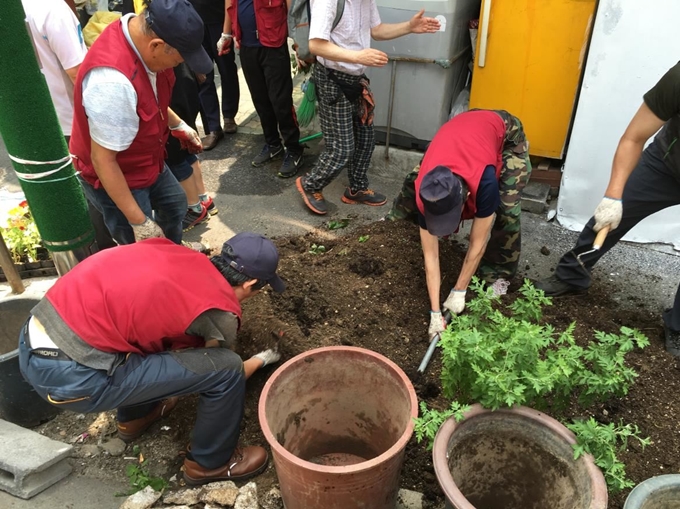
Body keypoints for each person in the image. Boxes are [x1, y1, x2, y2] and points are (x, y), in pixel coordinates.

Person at [19, 232, 285, 484]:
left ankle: (136, 418)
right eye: (257, 291)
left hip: (36, 333)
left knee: (148, 330)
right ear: (250, 284)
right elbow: (218, 363)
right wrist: (263, 358)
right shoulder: (219, 310)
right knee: (225, 371)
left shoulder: (170, 250)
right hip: (74, 376)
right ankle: (208, 464)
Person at [535, 62, 680, 358]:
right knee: (610, 217)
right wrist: (613, 196)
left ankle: (677, 326)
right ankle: (572, 275)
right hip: (667, 164)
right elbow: (633, 138)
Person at [70, 0, 212, 246]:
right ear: (157, 45)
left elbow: (148, 96)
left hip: (148, 159)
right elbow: (103, 160)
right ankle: (153, 269)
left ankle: (172, 254)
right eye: (179, 60)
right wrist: (140, 223)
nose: (179, 65)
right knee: (140, 244)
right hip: (118, 175)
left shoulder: (141, 43)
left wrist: (177, 124)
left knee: (175, 204)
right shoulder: (112, 85)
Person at [387, 109, 531, 339]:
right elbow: (431, 256)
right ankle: (391, 224)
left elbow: (477, 244)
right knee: (411, 180)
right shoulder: (427, 191)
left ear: (465, 197)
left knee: (507, 210)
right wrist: (434, 312)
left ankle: (499, 274)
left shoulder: (484, 184)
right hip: (457, 134)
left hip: (503, 131)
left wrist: (459, 290)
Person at [294, 3, 440, 215]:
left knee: (365, 139)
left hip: (356, 79)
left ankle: (357, 188)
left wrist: (409, 26)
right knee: (342, 148)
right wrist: (358, 56)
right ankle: (311, 184)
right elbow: (316, 45)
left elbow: (376, 30)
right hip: (332, 80)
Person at [220, 0, 304, 177]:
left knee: (280, 101)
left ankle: (294, 149)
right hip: (247, 47)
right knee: (260, 99)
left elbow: (292, 11)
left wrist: (299, 45)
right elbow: (230, 5)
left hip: (273, 46)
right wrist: (226, 34)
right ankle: (273, 143)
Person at [166, 63, 218, 231]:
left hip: (173, 92)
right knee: (189, 148)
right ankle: (204, 199)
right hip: (184, 81)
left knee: (175, 156)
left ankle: (194, 208)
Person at [190, 0, 241, 150]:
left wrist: (227, 31)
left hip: (220, 20)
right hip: (195, 22)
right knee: (203, 75)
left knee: (227, 70)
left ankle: (229, 115)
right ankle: (213, 128)